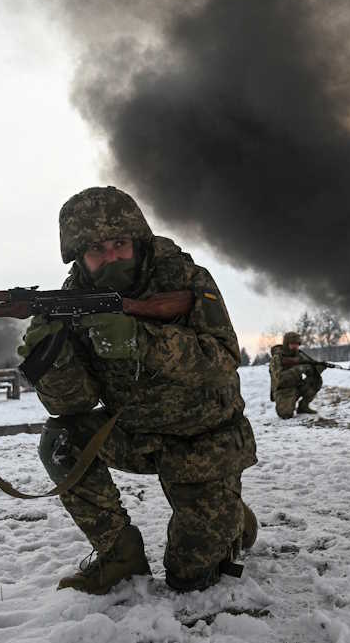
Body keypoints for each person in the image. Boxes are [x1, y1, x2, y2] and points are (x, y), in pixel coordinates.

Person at [18, 186, 258, 594]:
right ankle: (120, 556)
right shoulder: (72, 300)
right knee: (62, 440)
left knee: (190, 579)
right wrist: (52, 359)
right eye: (97, 249)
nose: (111, 257)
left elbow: (222, 361)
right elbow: (74, 403)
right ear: (78, 255)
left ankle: (232, 516)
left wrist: (140, 341)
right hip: (134, 434)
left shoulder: (183, 277)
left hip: (204, 442)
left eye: (119, 244)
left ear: (137, 239)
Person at [268, 331, 323, 419]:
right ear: (286, 344)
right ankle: (288, 404)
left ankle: (303, 407)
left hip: (297, 386)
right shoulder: (277, 358)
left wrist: (318, 368)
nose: (295, 346)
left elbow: (311, 371)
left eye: (297, 344)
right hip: (283, 391)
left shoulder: (299, 355)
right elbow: (280, 380)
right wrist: (298, 369)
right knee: (286, 415)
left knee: (316, 380)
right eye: (293, 344)